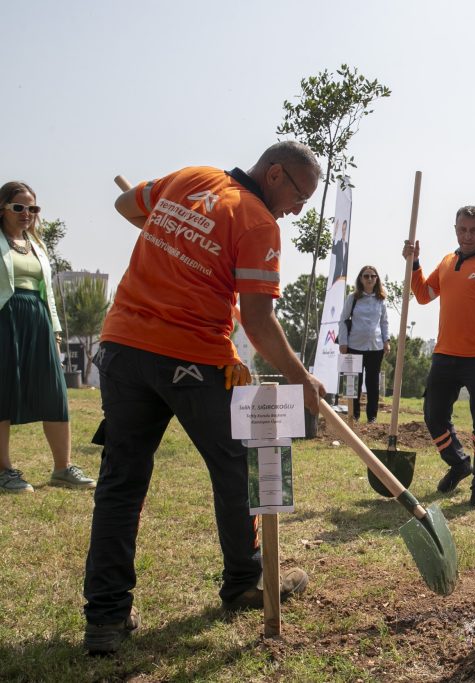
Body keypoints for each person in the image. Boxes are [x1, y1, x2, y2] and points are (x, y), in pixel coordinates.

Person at [82, 142, 327, 655]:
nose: (299, 209)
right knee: (237, 464)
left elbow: (128, 207)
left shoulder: (190, 177)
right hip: (190, 356)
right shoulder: (259, 222)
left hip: (123, 347)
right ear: (276, 173)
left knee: (120, 483)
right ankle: (244, 580)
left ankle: (105, 619)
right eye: (301, 195)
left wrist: (176, 235)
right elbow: (258, 322)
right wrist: (302, 378)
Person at [403, 206, 475, 507]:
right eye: (463, 229)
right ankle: (459, 464)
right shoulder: (447, 262)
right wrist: (414, 262)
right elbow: (424, 294)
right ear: (456, 229)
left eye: (474, 230)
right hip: (444, 354)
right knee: (433, 415)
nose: (468, 235)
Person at [1, 181, 95, 493]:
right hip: (5, 317)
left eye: (33, 208)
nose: (27, 213)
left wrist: (54, 330)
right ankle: (4, 471)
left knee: (54, 391)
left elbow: (48, 294)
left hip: (38, 318)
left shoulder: (37, 246)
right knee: (3, 390)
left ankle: (62, 468)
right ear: (3, 208)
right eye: (19, 207)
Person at [338, 265, 391, 423]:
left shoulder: (381, 299)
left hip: (375, 347)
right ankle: (354, 415)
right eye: (366, 276)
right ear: (360, 279)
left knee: (372, 383)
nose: (369, 279)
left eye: (372, 276)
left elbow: (384, 323)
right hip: (354, 345)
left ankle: (372, 417)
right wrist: (343, 342)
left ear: (377, 279)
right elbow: (343, 320)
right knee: (354, 381)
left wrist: (386, 341)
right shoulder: (353, 298)